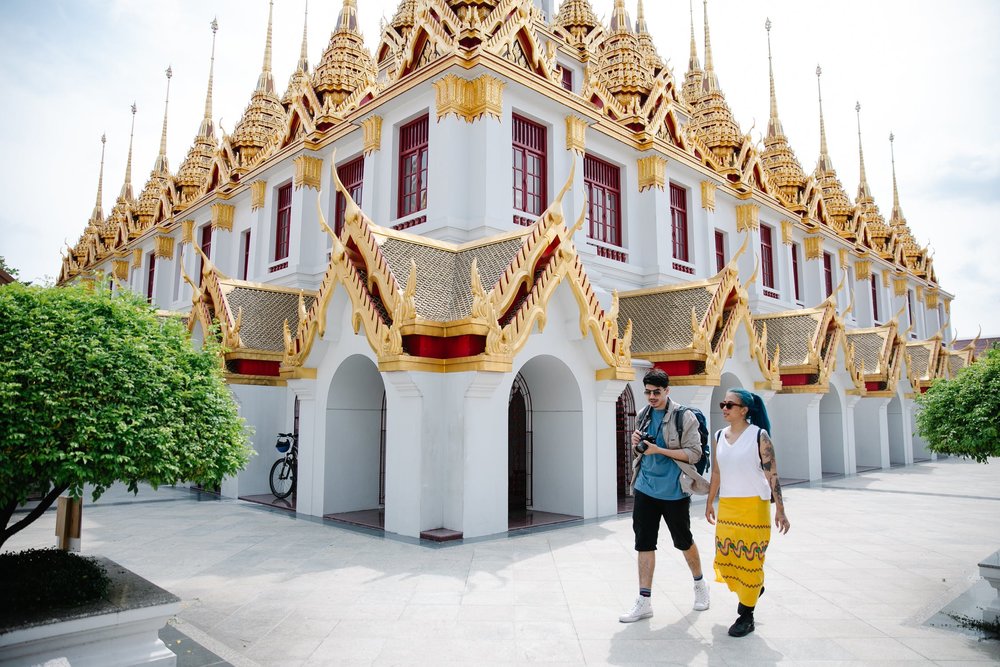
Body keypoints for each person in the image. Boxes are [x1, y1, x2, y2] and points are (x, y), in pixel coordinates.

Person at [619, 369, 711, 623]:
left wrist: (659, 449)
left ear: (667, 391)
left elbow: (693, 453)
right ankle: (644, 601)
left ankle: (700, 585)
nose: (651, 397)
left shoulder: (685, 417)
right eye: (647, 392)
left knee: (683, 541)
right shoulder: (643, 415)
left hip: (674, 491)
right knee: (644, 543)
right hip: (646, 487)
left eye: (656, 392)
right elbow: (641, 451)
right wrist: (637, 440)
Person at [705, 388, 790, 637]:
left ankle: (746, 614)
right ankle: (753, 590)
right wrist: (710, 502)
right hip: (729, 506)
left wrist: (781, 510)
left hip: (754, 507)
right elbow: (718, 473)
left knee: (750, 562)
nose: (724, 408)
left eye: (729, 405)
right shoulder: (719, 435)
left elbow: (771, 474)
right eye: (723, 404)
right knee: (727, 560)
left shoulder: (759, 436)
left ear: (744, 410)